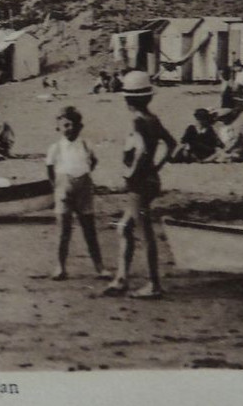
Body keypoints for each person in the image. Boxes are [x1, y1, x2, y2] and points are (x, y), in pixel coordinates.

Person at [105, 70, 177, 298]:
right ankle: (121, 278)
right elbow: (171, 144)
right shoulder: (153, 119)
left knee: (144, 232)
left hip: (140, 183)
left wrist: (131, 172)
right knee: (125, 228)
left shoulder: (137, 121)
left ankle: (154, 284)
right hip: (150, 180)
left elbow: (143, 150)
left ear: (128, 99)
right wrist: (156, 167)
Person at [45, 106, 109, 280]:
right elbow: (50, 169)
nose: (69, 129)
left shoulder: (85, 144)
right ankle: (60, 267)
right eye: (65, 125)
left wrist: (84, 176)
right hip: (63, 189)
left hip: (84, 189)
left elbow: (93, 161)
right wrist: (57, 186)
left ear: (80, 127)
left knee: (89, 229)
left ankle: (99, 267)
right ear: (58, 127)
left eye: (73, 125)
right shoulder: (56, 147)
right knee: (63, 231)